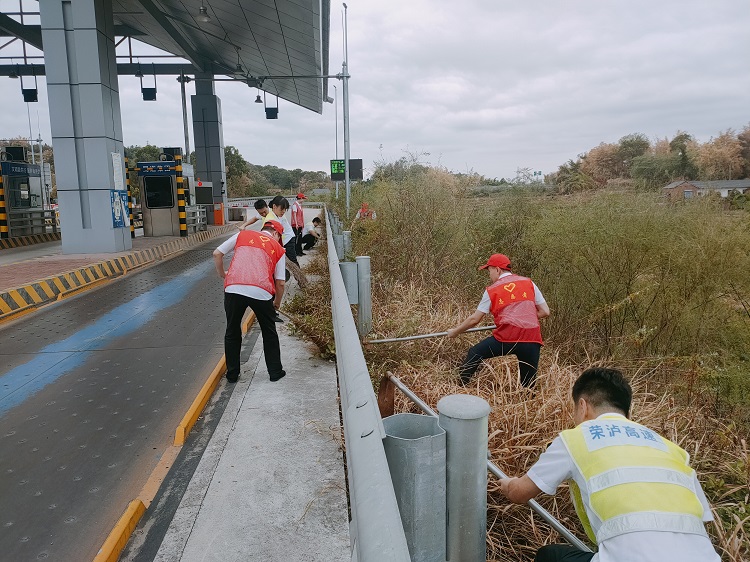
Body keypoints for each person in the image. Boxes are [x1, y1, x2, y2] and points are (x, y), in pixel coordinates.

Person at [499, 367, 720, 562]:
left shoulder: (577, 438)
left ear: (583, 406)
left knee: (550, 556)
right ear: (627, 412)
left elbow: (519, 493)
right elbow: (702, 520)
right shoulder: (672, 449)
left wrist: (506, 482)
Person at [447, 253, 549, 387]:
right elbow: (545, 311)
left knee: (475, 353)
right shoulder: (528, 282)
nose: (489, 276)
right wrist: (521, 317)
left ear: (497, 269)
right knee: (528, 385)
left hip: (506, 339)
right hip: (532, 339)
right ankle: (528, 403)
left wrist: (455, 332)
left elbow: (474, 319)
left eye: (489, 271)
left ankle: (460, 388)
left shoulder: (492, 289)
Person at [213, 220, 287, 383]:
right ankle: (275, 372)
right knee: (269, 332)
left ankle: (232, 374)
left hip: (233, 288)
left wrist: (223, 275)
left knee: (232, 330)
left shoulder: (242, 234)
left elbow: (217, 253)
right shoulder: (278, 248)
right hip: (261, 291)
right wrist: (276, 303)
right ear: (276, 234)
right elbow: (280, 283)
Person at [268, 195, 309, 289]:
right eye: (282, 209)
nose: (283, 212)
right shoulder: (271, 216)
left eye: (285, 209)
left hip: (288, 239)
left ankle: (302, 281)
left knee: (293, 261)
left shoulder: (277, 215)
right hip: (280, 240)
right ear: (274, 206)